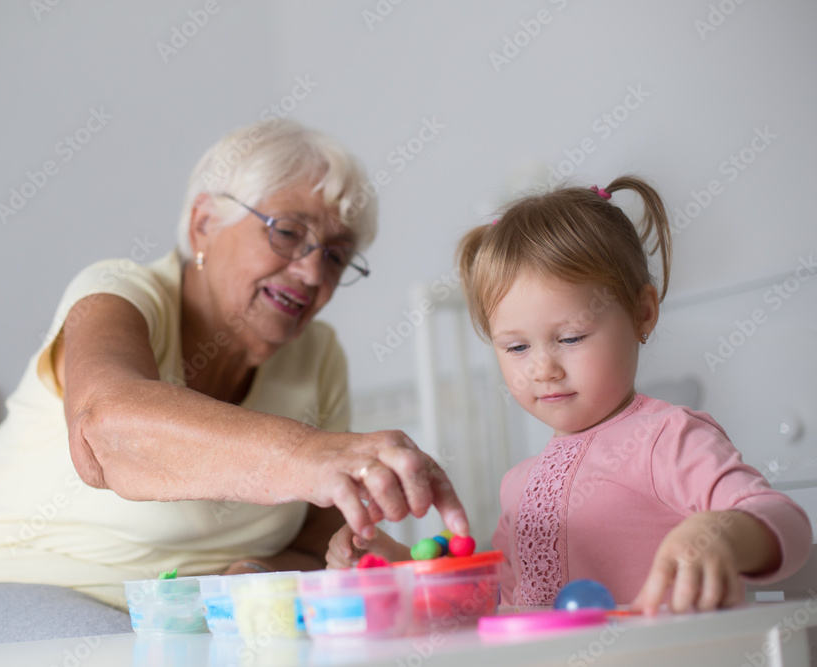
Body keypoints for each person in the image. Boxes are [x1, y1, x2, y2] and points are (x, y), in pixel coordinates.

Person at [0, 119, 468, 649]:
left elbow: (321, 542)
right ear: (203, 224)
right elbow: (106, 429)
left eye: (337, 257)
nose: (312, 272)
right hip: (0, 596)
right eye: (289, 232)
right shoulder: (118, 292)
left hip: (187, 624)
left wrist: (273, 569)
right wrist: (310, 453)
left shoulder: (318, 356)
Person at [327, 176, 812, 615]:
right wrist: (401, 568)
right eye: (516, 347)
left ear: (643, 313)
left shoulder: (665, 437)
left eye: (572, 337)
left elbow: (785, 522)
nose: (543, 368)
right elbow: (495, 604)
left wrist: (717, 537)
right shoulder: (519, 484)